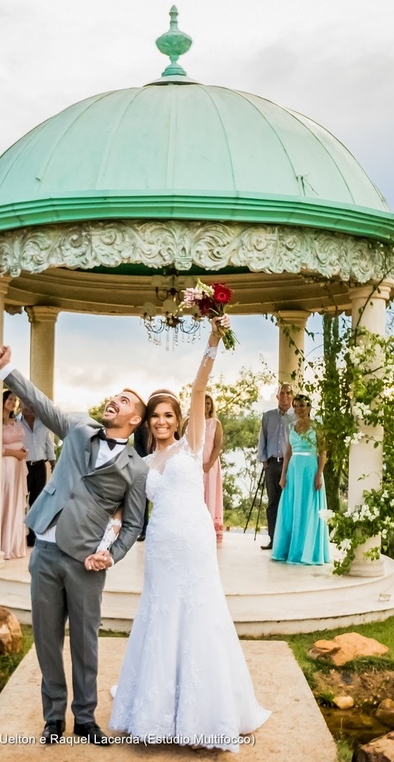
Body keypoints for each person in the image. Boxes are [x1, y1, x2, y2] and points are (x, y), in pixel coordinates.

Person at [106, 318, 271, 751]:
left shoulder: (191, 445)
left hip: (195, 542)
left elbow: (199, 390)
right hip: (160, 545)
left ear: (179, 419)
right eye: (156, 416)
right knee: (161, 616)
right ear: (147, 423)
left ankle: (206, 716)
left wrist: (213, 340)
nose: (162, 422)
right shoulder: (139, 464)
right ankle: (155, 713)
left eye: (168, 415)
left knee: (200, 615)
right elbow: (127, 513)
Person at [0, 346, 148, 746]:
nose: (115, 401)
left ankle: (85, 719)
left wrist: (110, 555)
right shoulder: (79, 428)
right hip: (44, 549)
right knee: (46, 640)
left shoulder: (136, 468)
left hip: (86, 561)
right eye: (116, 395)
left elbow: (133, 523)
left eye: (125, 400)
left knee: (85, 642)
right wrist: (7, 368)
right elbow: (41, 405)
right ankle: (51, 719)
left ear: (135, 420)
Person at [271, 394, 330, 565]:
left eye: (302, 406)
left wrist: (319, 474)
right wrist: (283, 475)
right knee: (292, 508)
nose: (298, 409)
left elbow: (323, 452)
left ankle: (308, 551)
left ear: (309, 407)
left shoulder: (317, 426)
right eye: (295, 406)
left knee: (308, 508)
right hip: (293, 470)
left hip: (310, 469)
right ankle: (288, 549)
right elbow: (287, 453)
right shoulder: (291, 426)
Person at [256, 382, 295, 550]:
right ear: (277, 396)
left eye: (289, 393)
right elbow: (262, 439)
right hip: (272, 464)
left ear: (292, 396)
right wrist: (265, 463)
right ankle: (274, 539)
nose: (285, 396)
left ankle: (289, 541)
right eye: (282, 393)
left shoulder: (297, 416)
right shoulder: (268, 416)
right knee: (273, 503)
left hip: (292, 466)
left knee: (290, 502)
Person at [18, 400, 55, 548]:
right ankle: (17, 535)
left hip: (39, 466)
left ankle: (33, 536)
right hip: (22, 467)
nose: (27, 407)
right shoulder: (16, 423)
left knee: (37, 502)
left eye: (29, 404)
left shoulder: (43, 423)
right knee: (20, 501)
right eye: (24, 403)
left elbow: (49, 444)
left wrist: (53, 463)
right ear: (20, 406)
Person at [0, 390, 29, 559]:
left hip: (19, 467)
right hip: (7, 467)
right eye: (10, 399)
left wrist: (23, 450)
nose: (13, 402)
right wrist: (14, 453)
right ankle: (4, 544)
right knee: (7, 501)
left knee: (17, 503)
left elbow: (19, 440)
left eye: (15, 400)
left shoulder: (15, 421)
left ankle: (14, 545)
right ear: (3, 400)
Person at [202, 393, 226, 544]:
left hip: (210, 465)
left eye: (208, 403)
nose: (206, 405)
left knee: (210, 494)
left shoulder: (215, 423)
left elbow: (218, 445)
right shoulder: (189, 422)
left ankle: (210, 530)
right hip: (194, 464)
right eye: (203, 402)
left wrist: (209, 464)